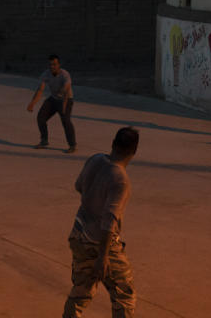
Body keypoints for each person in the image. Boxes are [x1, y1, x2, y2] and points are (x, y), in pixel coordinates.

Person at [64, 127, 139, 318]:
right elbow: (109, 222)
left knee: (81, 291)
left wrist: (93, 200)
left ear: (113, 144)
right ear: (134, 151)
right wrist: (102, 258)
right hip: (101, 244)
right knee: (124, 295)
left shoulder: (95, 159)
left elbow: (78, 186)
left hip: (79, 235)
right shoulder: (120, 180)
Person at [26, 54, 76, 153]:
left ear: (59, 65)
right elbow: (40, 90)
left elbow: (66, 92)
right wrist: (32, 103)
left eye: (54, 64)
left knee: (66, 121)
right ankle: (44, 141)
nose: (52, 66)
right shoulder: (46, 74)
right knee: (41, 118)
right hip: (53, 99)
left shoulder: (65, 75)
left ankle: (72, 145)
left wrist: (64, 107)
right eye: (50, 64)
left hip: (66, 99)